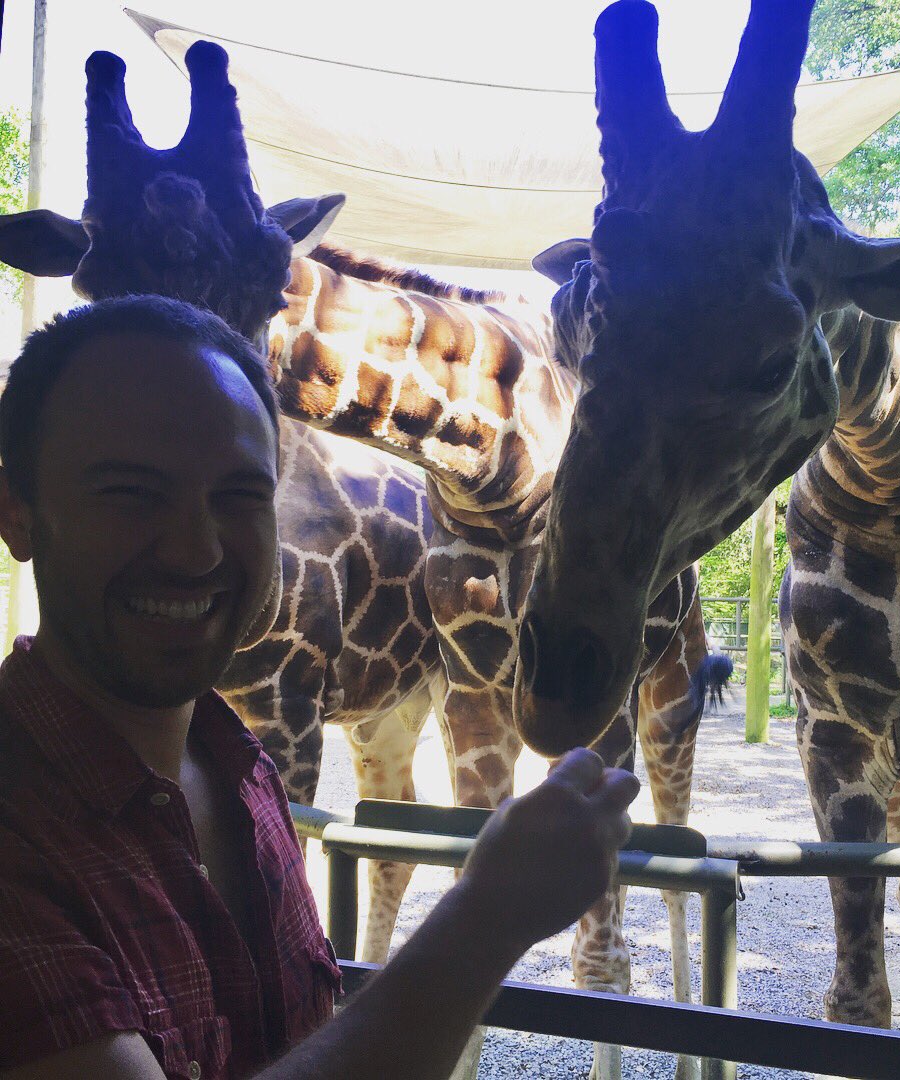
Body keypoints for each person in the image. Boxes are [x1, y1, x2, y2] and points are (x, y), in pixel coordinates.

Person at [0, 296, 639, 1080]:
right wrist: (487, 916)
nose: (197, 550)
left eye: (240, 495)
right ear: (17, 513)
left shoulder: (239, 768)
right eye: (131, 493)